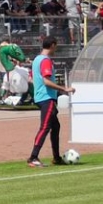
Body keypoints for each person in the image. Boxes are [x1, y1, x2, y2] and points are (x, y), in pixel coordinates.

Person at [27, 36, 71, 167]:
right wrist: (64, 89)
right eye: (56, 46)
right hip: (46, 98)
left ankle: (56, 158)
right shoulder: (45, 60)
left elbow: (32, 79)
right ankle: (33, 157)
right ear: (52, 45)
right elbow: (46, 81)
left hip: (41, 97)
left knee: (55, 126)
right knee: (45, 127)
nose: (55, 49)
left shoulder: (37, 59)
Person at [0, 39, 29, 105]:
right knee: (8, 84)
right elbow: (14, 56)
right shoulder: (6, 49)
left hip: (7, 70)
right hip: (7, 70)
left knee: (10, 84)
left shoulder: (1, 49)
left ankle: (15, 99)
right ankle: (7, 99)